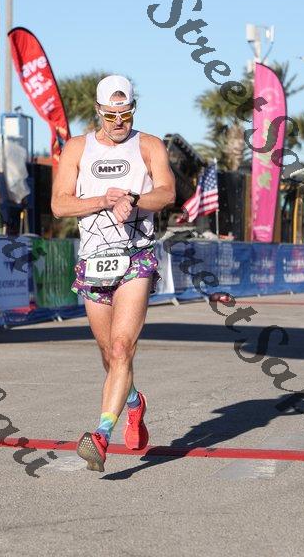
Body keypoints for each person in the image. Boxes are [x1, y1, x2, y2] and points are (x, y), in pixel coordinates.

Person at [51, 75, 176, 472]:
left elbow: (167, 192)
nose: (119, 121)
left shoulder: (149, 145)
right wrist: (103, 200)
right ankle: (134, 403)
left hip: (136, 256)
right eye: (110, 115)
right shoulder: (77, 148)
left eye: (126, 113)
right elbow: (59, 204)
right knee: (109, 355)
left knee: (122, 348)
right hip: (93, 260)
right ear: (98, 111)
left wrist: (135, 200)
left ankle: (101, 435)